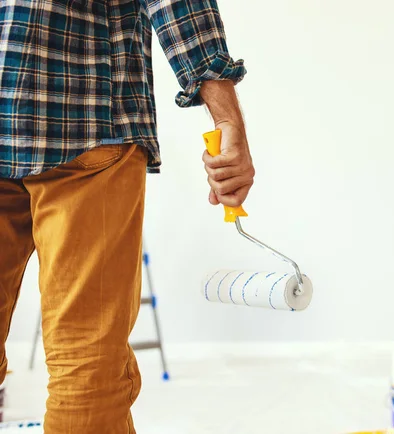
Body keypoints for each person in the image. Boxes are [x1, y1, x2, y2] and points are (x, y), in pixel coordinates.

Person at [0, 1, 254, 432]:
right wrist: (226, 117)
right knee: (87, 368)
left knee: (86, 370)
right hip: (84, 114)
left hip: (80, 126)